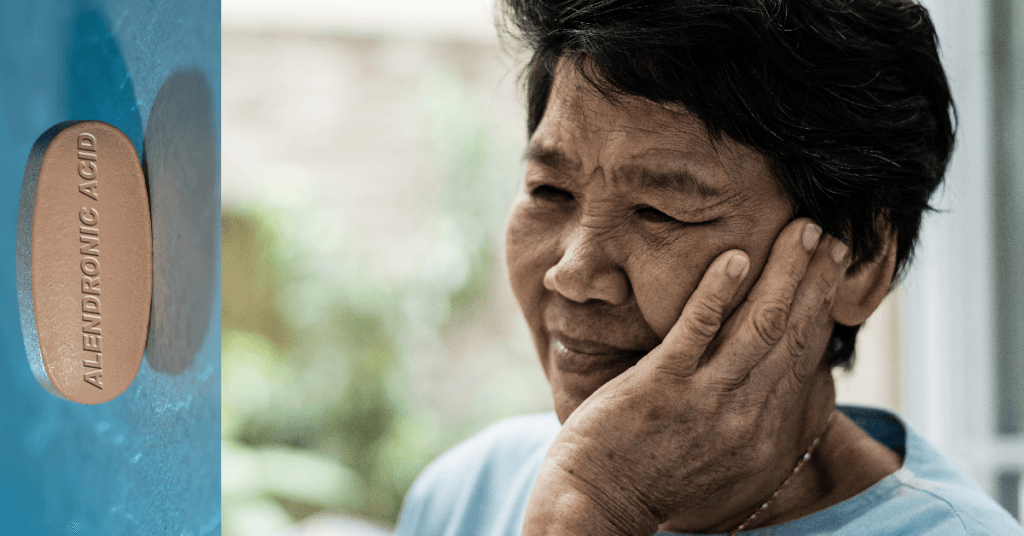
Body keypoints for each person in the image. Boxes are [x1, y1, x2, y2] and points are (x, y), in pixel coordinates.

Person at [396, 0, 1024, 534]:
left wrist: (598, 505)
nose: (574, 273)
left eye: (660, 212)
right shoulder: (465, 494)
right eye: (549, 192)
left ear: (858, 260)